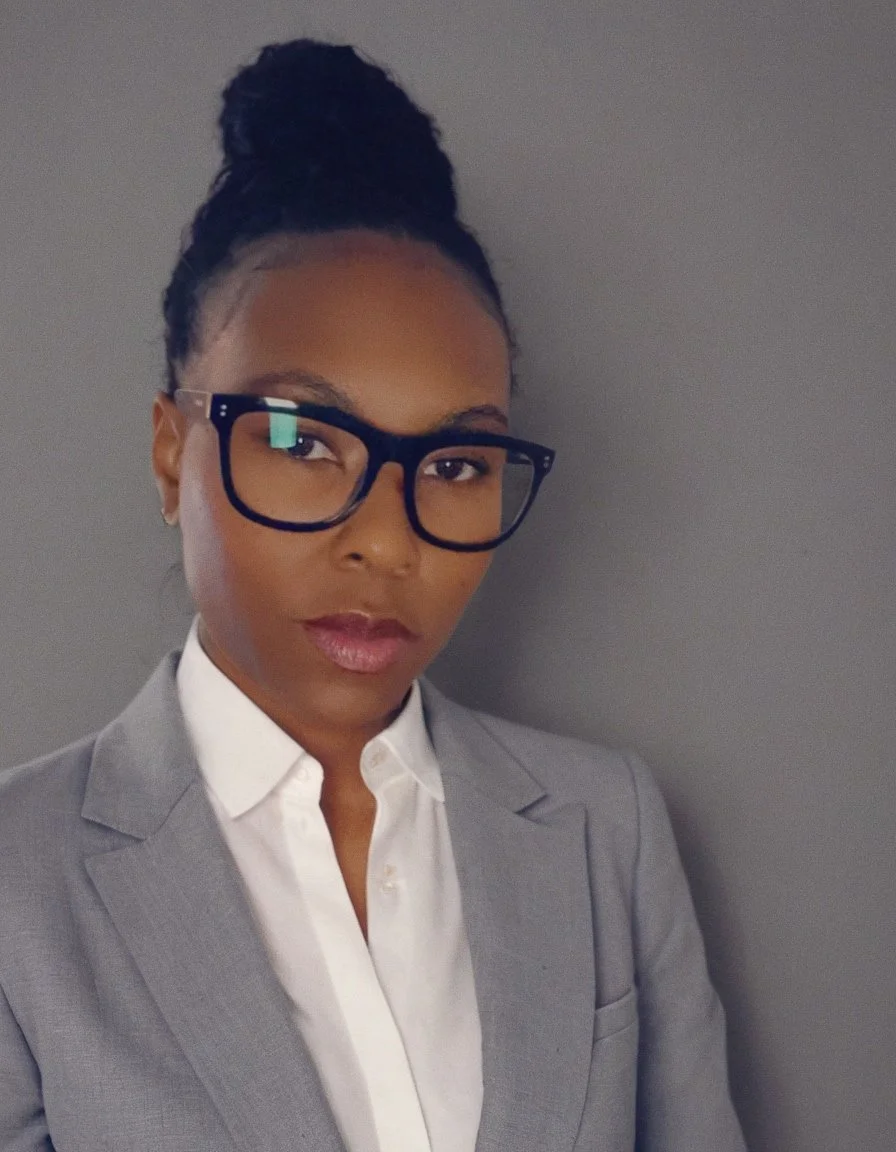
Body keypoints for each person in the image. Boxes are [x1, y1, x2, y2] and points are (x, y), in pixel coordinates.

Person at [0, 39, 746, 1152]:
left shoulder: (607, 831)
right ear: (171, 455)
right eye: (301, 439)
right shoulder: (19, 881)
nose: (384, 541)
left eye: (453, 465)